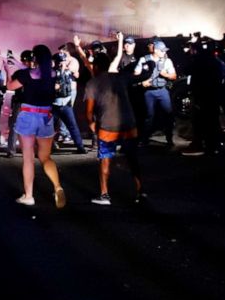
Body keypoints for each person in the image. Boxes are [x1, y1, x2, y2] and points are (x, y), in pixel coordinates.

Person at [85, 32, 144, 205]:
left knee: (105, 160)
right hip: (129, 123)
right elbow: (138, 76)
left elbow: (89, 111)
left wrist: (91, 124)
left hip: (107, 126)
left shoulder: (92, 83)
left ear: (96, 67)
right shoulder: (120, 77)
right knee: (132, 158)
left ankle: (104, 195)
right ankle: (141, 191)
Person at [5, 45, 66, 208]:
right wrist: (18, 63)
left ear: (34, 59)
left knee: (28, 159)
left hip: (28, 115)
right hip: (46, 116)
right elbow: (36, 72)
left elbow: (10, 86)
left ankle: (29, 196)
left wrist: (8, 70)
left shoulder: (26, 75)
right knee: (45, 157)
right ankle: (57, 186)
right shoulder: (52, 74)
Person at [134, 39, 177, 148]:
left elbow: (174, 76)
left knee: (169, 114)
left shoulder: (167, 61)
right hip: (149, 92)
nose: (164, 52)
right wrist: (141, 82)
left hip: (162, 90)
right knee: (149, 116)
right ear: (156, 50)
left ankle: (169, 138)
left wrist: (166, 75)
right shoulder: (144, 60)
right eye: (162, 50)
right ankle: (144, 139)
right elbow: (136, 74)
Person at [52, 45, 88, 154]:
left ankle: (80, 147)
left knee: (72, 126)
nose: (63, 63)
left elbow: (68, 79)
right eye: (61, 61)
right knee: (49, 128)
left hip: (65, 103)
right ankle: (48, 147)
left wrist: (64, 70)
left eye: (63, 61)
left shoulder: (65, 72)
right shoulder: (53, 73)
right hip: (55, 104)